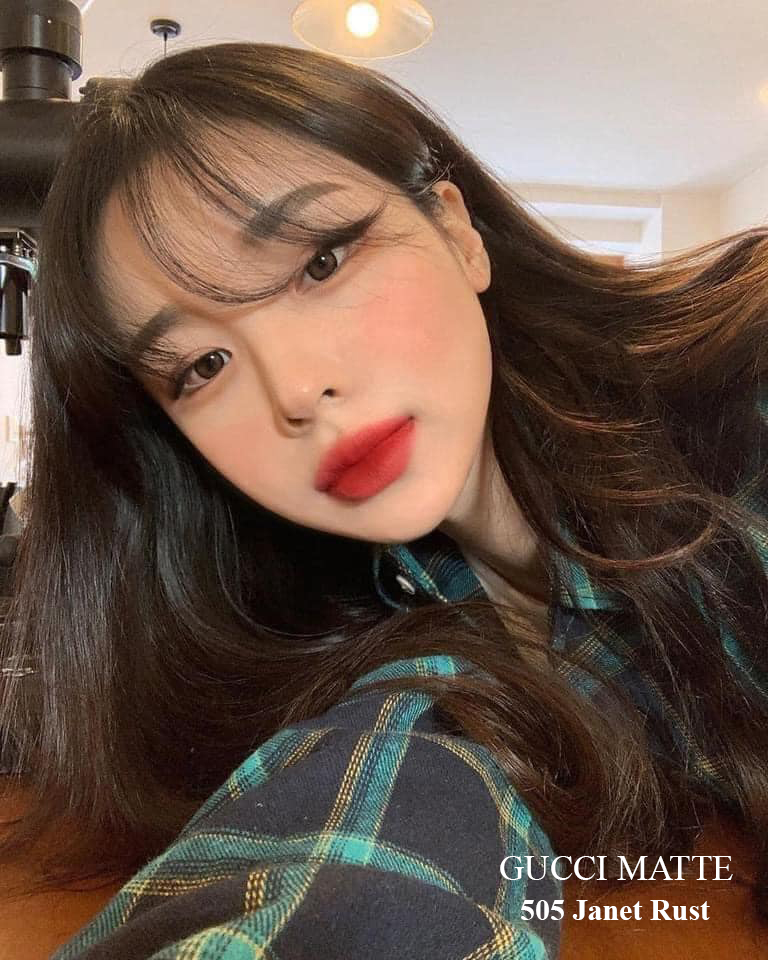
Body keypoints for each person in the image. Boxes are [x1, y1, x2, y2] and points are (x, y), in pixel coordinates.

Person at [0, 40, 766, 958]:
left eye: (322, 263)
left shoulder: (742, 391)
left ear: (457, 231)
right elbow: (364, 841)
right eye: (202, 366)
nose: (295, 390)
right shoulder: (361, 628)